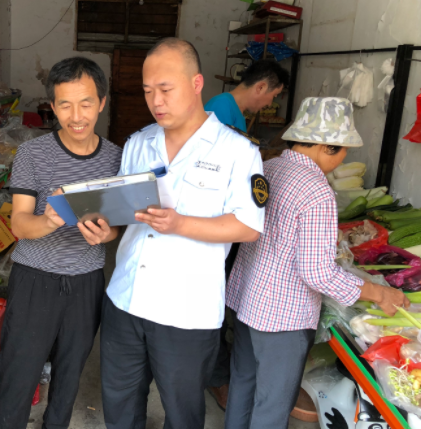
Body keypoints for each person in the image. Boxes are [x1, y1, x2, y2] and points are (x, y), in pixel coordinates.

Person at [100, 37, 267, 429]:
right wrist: (103, 228)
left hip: (186, 312)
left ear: (196, 84)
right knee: (119, 405)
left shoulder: (237, 151)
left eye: (165, 89)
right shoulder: (138, 143)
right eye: (147, 91)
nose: (156, 101)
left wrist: (180, 224)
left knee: (182, 413)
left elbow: (248, 227)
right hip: (125, 299)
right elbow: (122, 211)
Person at [224, 97, 410, 429]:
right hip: (282, 316)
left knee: (243, 382)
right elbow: (318, 273)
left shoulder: (269, 168)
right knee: (272, 404)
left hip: (246, 299)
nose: (343, 158)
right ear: (328, 147)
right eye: (344, 150)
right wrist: (379, 293)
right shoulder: (317, 191)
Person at [0, 57, 123, 429]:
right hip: (34, 281)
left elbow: (117, 225)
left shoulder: (116, 159)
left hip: (86, 283)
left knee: (69, 377)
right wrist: (49, 220)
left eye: (86, 104)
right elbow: (19, 224)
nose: (76, 116)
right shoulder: (33, 154)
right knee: (18, 376)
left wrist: (107, 234)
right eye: (65, 105)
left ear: (102, 102)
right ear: (52, 106)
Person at [206, 58, 290, 409]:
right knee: (211, 303)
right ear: (261, 86)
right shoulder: (219, 110)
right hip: (215, 227)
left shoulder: (232, 112)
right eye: (272, 96)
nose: (269, 103)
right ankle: (216, 377)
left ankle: (219, 369)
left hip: (228, 227)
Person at [204, 59, 290, 132]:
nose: (270, 104)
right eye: (274, 96)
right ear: (260, 88)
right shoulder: (222, 106)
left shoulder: (238, 112)